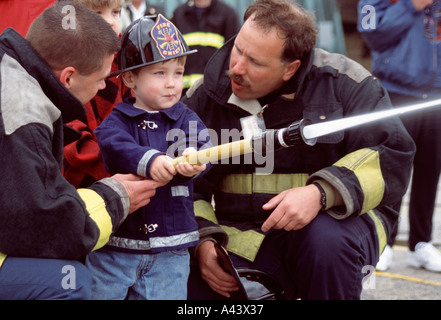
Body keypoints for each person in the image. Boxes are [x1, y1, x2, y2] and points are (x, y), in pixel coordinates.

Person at [183, 0, 416, 300]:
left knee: (324, 241)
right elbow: (184, 186)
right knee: (187, 284)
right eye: (238, 49)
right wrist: (203, 242)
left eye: (255, 62)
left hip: (334, 234)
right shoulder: (204, 98)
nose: (236, 68)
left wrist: (321, 193)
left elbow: (391, 154)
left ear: (290, 69)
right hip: (240, 240)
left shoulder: (346, 85)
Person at [0, 1, 162, 300]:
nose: (103, 87)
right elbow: (39, 227)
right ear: (69, 77)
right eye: (101, 78)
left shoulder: (11, 71)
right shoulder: (24, 115)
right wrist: (115, 197)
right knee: (68, 280)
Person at [86, 14, 212, 300]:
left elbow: (202, 144)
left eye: (178, 73)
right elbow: (113, 143)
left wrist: (195, 158)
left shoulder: (187, 118)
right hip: (116, 248)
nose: (172, 83)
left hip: (171, 251)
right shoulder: (118, 120)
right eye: (160, 73)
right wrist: (151, 160)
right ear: (130, 78)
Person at [358, 0, 441, 272]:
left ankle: (421, 244)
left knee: (431, 170)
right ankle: (384, 243)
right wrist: (410, 5)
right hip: (396, 91)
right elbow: (372, 33)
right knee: (389, 170)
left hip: (437, 93)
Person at [62, 0, 133, 189]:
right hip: (85, 182)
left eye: (116, 12)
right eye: (98, 13)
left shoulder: (125, 61)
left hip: (131, 165)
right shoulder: (66, 65)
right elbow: (71, 140)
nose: (110, 21)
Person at [171, 0, 241, 91]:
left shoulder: (227, 14)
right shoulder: (179, 14)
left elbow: (235, 53)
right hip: (184, 92)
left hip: (214, 91)